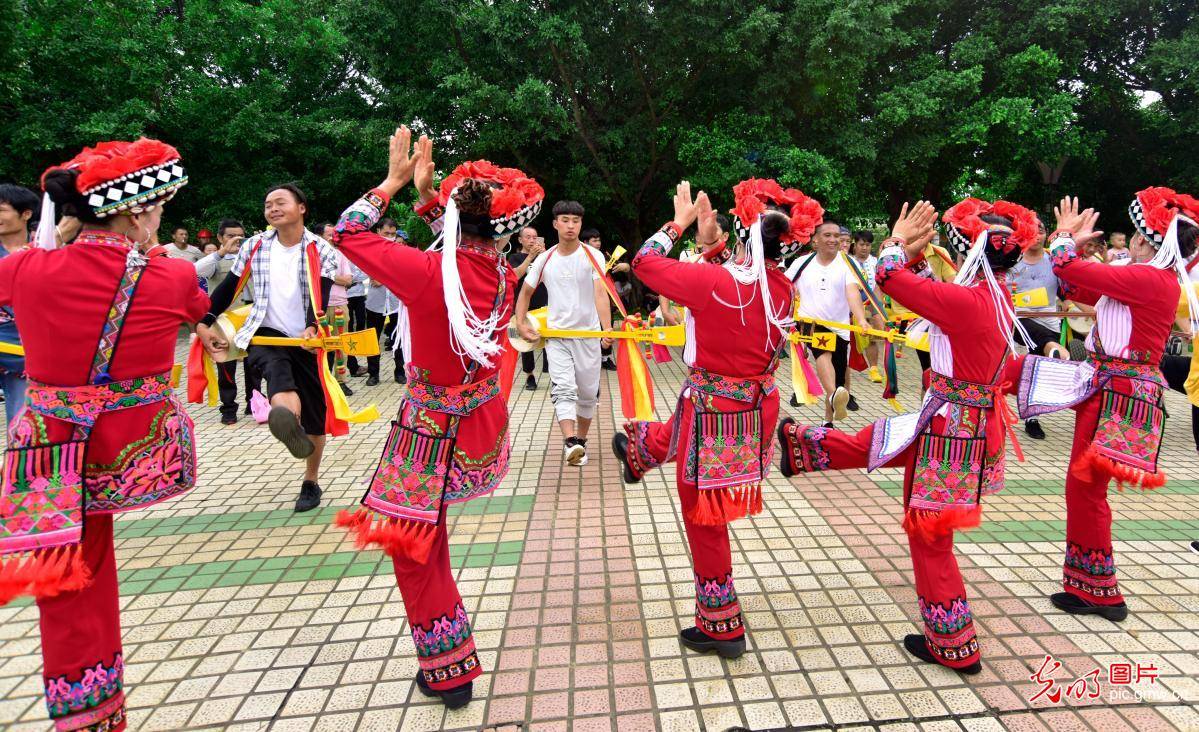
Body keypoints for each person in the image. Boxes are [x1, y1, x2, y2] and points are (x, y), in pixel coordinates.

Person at [779, 198, 1038, 675]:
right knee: (885, 441)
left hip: (950, 430)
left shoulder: (967, 301)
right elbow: (921, 286)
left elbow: (891, 278)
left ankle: (955, 644)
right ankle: (804, 447)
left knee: (931, 535)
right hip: (959, 422)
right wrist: (916, 254)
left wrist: (897, 242)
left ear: (965, 253)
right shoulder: (995, 294)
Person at [0, 138, 208, 732]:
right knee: (92, 561)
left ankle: (85, 714)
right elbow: (195, 304)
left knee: (64, 580)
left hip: (46, 448)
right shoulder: (171, 274)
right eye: (161, 205)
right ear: (138, 210)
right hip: (129, 448)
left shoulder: (23, 269)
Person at [333, 129, 542, 709]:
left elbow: (348, 232)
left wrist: (394, 184)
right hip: (477, 420)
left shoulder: (427, 274)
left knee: (415, 544)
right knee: (429, 538)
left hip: (427, 431)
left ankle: (449, 666)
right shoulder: (502, 274)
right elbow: (459, 249)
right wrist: (430, 201)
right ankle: (448, 661)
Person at [612, 179, 812, 660]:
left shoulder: (715, 284)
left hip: (712, 412)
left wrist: (676, 226)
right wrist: (710, 243)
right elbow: (743, 276)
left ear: (743, 235)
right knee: (707, 503)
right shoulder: (783, 289)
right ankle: (640, 453)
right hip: (754, 409)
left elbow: (643, 264)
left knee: (706, 519)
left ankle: (722, 625)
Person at [1010, 191, 1199, 623]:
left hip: (1117, 394)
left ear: (1146, 242)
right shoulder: (1148, 279)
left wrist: (1064, 237)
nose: (1131, 242)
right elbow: (1079, 284)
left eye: (1136, 235)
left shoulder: (1150, 279)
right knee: (1085, 490)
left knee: (1086, 490)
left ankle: (1103, 593)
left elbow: (1066, 267)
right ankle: (1090, 584)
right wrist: (1071, 249)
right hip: (1109, 387)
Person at [197, 183, 341, 513]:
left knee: (316, 416)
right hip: (264, 332)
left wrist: (312, 324)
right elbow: (231, 287)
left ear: (301, 207)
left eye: (280, 202)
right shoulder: (255, 246)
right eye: (267, 205)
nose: (272, 208)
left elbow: (321, 292)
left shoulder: (321, 250)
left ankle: (311, 479)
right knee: (276, 372)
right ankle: (285, 418)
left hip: (307, 340)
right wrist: (206, 319)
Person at [514, 200, 612, 466]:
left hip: (588, 336)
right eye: (565, 220)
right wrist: (521, 323)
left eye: (576, 221)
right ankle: (570, 441)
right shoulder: (545, 259)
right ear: (555, 223)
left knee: (588, 393)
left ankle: (580, 440)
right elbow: (525, 292)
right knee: (564, 387)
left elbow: (600, 292)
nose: (571, 226)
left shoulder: (593, 256)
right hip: (556, 337)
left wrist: (607, 329)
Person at [787, 220, 869, 424]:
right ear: (815, 240)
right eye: (827, 235)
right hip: (810, 323)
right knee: (822, 353)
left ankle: (827, 421)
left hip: (841, 328)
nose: (833, 240)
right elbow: (785, 288)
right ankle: (832, 395)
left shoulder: (848, 264)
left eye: (837, 236)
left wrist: (861, 320)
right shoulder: (801, 263)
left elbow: (852, 293)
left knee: (838, 379)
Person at [195, 218, 264, 423]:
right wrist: (221, 252)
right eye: (230, 236)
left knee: (254, 364)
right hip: (222, 321)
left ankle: (255, 404)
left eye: (240, 237)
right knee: (226, 364)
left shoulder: (254, 259)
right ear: (220, 238)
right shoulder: (215, 261)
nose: (236, 240)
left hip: (250, 319)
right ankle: (228, 409)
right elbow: (196, 271)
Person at [1009, 217, 1070, 440]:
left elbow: (1071, 288)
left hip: (1049, 319)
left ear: (1046, 234)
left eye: (1041, 230)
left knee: (1036, 370)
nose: (1035, 235)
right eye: (1030, 230)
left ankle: (1031, 416)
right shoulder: (1012, 260)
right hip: (1018, 320)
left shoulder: (1055, 260)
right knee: (1038, 347)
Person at [0, 184, 38, 423]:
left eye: (2, 210)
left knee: (21, 422)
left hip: (31, 355)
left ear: (25, 214)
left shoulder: (48, 250)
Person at [363, 218, 406, 386]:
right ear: (378, 231)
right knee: (372, 339)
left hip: (396, 303)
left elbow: (403, 272)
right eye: (386, 233)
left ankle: (400, 372)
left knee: (398, 339)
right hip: (375, 303)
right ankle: (373, 374)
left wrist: (382, 276)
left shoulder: (398, 251)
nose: (390, 236)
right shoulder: (369, 251)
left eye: (393, 234)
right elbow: (362, 271)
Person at [506, 226, 548, 389]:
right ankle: (529, 375)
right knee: (525, 342)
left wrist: (544, 256)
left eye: (535, 237)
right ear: (520, 240)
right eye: (528, 237)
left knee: (549, 339)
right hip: (524, 306)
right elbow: (515, 276)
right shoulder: (515, 258)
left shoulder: (544, 257)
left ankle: (552, 373)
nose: (532, 240)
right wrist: (530, 257)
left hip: (544, 303)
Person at [316, 222, 355, 397]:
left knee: (341, 344)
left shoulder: (341, 254)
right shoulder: (313, 256)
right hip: (318, 306)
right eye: (329, 234)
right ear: (319, 237)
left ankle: (341, 382)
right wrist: (335, 278)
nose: (333, 238)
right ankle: (321, 382)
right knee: (320, 346)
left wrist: (328, 276)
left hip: (340, 304)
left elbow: (348, 280)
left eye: (334, 234)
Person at [850, 230, 885, 384]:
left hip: (871, 303)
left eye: (868, 245)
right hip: (850, 303)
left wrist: (877, 305)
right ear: (855, 245)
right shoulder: (848, 262)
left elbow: (881, 285)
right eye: (861, 244)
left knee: (872, 336)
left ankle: (874, 368)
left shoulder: (876, 262)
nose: (864, 248)